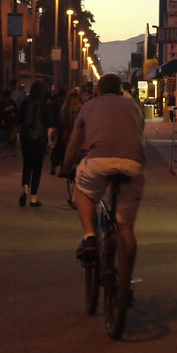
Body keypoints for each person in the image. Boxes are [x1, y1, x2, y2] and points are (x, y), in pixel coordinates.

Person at [63, 72, 146, 302]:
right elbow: (139, 136)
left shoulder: (89, 106)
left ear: (98, 90)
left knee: (82, 189)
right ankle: (124, 285)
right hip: (133, 166)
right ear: (121, 91)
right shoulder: (134, 107)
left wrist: (66, 167)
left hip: (98, 163)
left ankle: (90, 235)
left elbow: (74, 144)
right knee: (125, 229)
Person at [17, 80, 54, 207]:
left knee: (27, 164)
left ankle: (25, 188)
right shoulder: (45, 106)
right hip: (39, 140)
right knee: (37, 167)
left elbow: (18, 119)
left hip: (25, 138)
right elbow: (49, 123)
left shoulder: (24, 104)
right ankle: (33, 198)